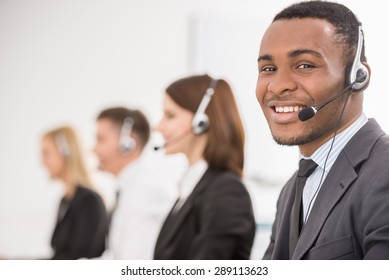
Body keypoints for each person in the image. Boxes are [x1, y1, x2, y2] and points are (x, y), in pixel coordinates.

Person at [256, 1, 389, 260]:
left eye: (305, 65)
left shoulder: (383, 174)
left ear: (357, 77)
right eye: (268, 69)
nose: (278, 85)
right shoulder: (290, 191)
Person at [153, 74, 256, 259]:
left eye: (170, 115)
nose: (158, 126)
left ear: (201, 121)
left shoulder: (226, 190)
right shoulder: (190, 189)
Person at [93, 107, 176, 259]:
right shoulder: (130, 188)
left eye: (101, 140)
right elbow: (115, 257)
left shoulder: (143, 191)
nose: (93, 149)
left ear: (128, 144)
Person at [41, 126, 107, 259]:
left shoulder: (89, 201)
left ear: (65, 153)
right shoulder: (65, 200)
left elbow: (77, 260)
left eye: (46, 153)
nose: (43, 161)